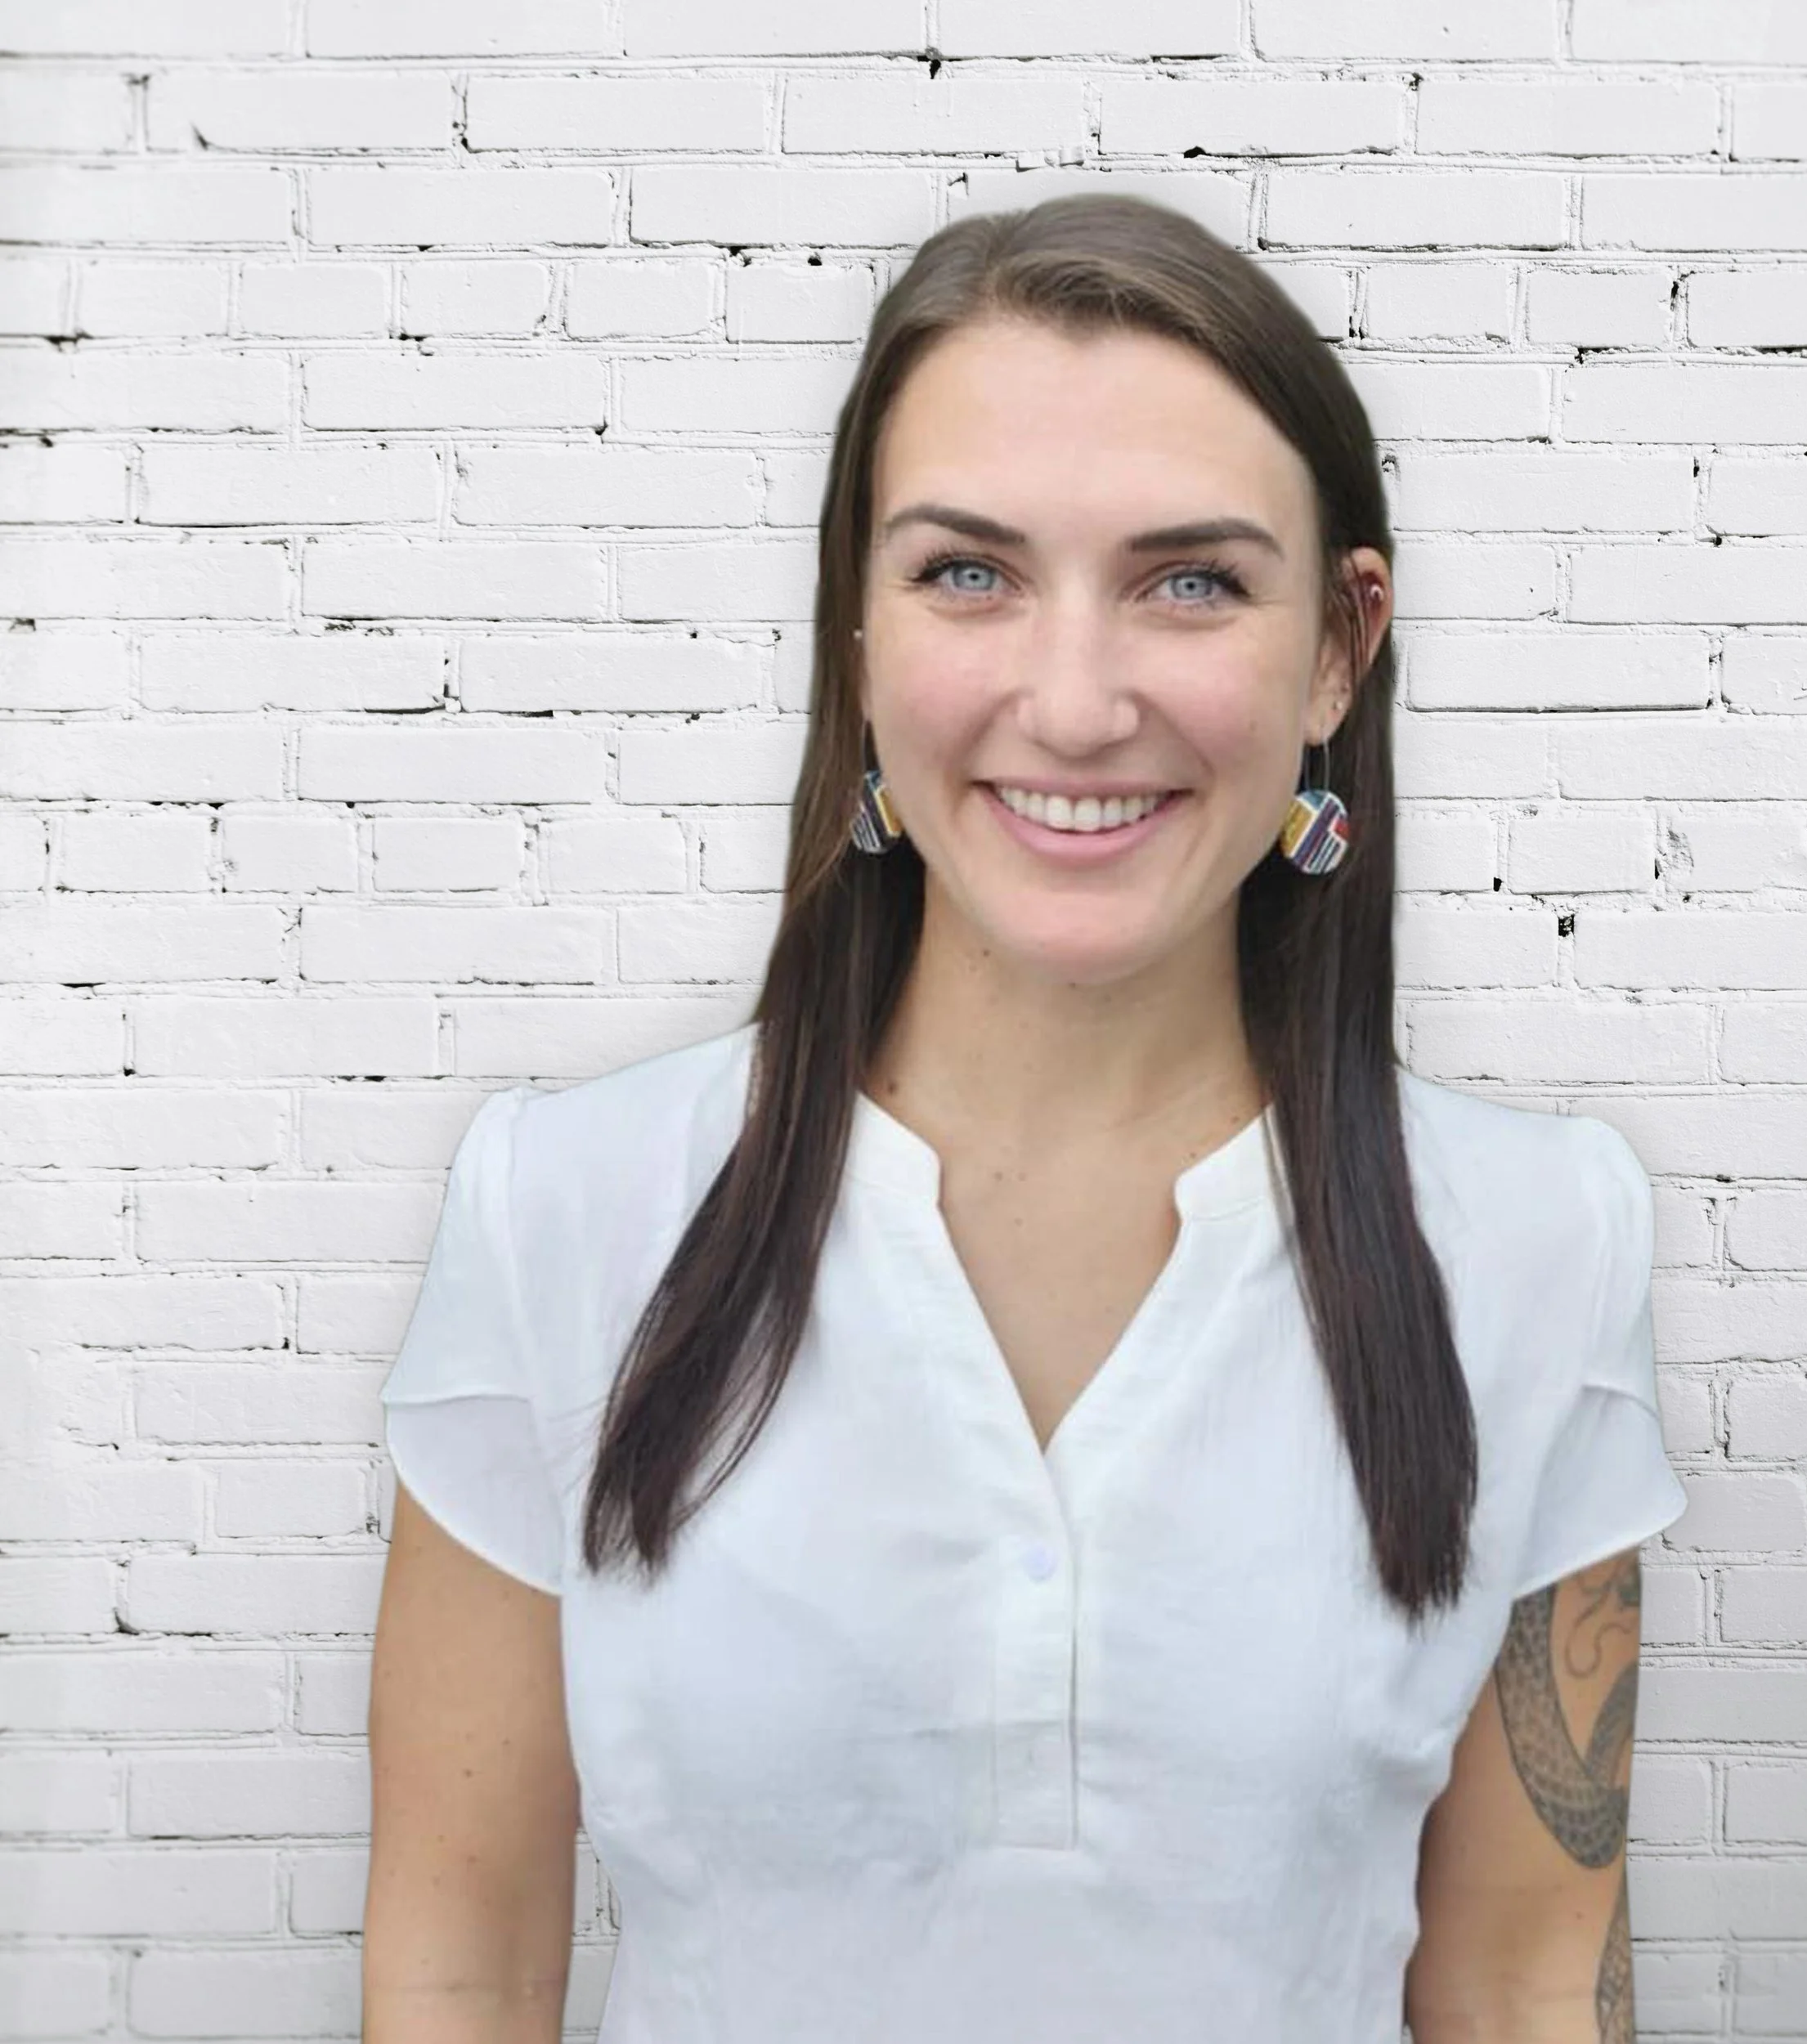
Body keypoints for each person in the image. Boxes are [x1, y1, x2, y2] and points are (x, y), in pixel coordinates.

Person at [363, 194, 1687, 2044]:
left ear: (1337, 645)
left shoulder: (1542, 1236)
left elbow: (1527, 1981)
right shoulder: (563, 1205)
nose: (1072, 704)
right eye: (968, 573)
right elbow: (456, 1960)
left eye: (1192, 580)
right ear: (857, 631)